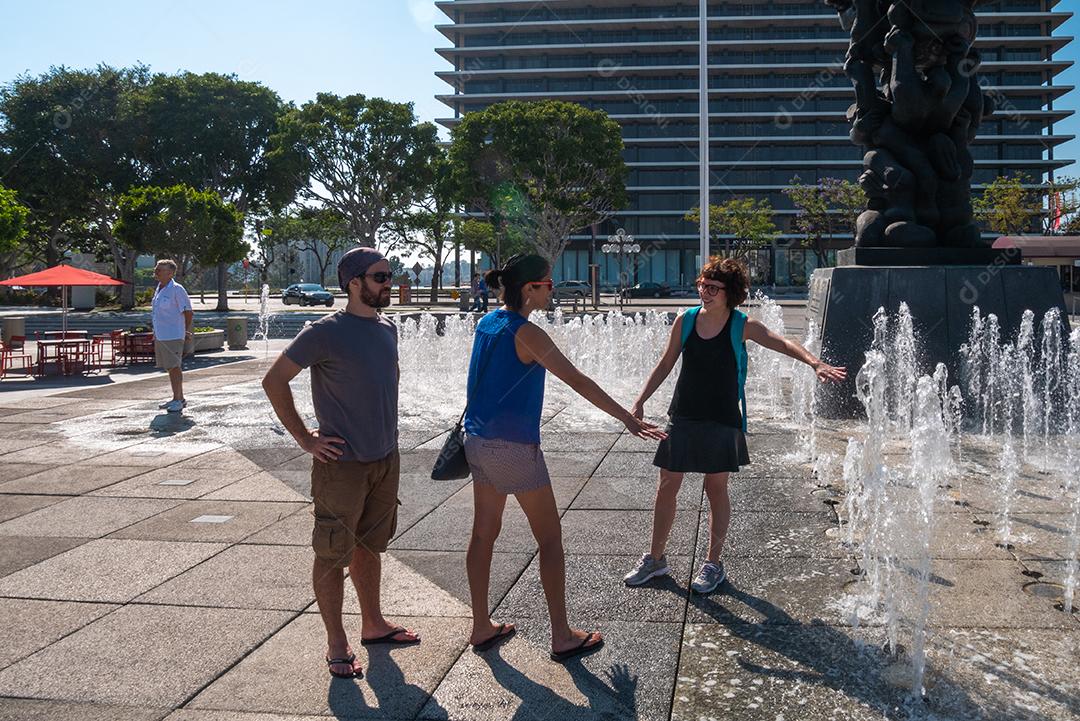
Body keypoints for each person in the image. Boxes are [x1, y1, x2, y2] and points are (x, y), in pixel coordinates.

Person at [463, 253, 666, 661]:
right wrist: (627, 418)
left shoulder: (487, 322)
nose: (553, 289)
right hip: (513, 447)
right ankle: (561, 635)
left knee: (484, 533)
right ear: (529, 289)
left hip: (478, 441)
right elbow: (577, 380)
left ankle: (481, 625)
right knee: (551, 539)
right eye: (548, 283)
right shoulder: (528, 334)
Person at [623, 256, 846, 593]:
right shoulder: (685, 321)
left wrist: (814, 363)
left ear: (731, 293)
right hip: (683, 412)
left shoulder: (741, 325)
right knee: (667, 484)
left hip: (723, 416)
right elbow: (666, 363)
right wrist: (639, 401)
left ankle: (713, 563)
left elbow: (782, 341)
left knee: (716, 489)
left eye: (713, 287)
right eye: (702, 285)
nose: (704, 291)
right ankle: (656, 559)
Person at [262, 247, 419, 681]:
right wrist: (304, 438)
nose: (389, 283)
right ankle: (336, 643)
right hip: (342, 465)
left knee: (371, 547)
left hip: (385, 458)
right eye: (380, 276)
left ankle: (374, 624)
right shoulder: (323, 332)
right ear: (354, 282)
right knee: (332, 554)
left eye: (390, 275)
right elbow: (274, 381)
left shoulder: (387, 328)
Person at [151, 259, 194, 413]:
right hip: (161, 335)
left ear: (170, 273)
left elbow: (188, 311)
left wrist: (185, 330)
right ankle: (177, 398)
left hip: (173, 334)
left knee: (175, 366)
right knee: (170, 367)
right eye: (157, 268)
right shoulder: (159, 289)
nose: (156, 271)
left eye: (159, 269)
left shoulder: (177, 289)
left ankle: (178, 399)